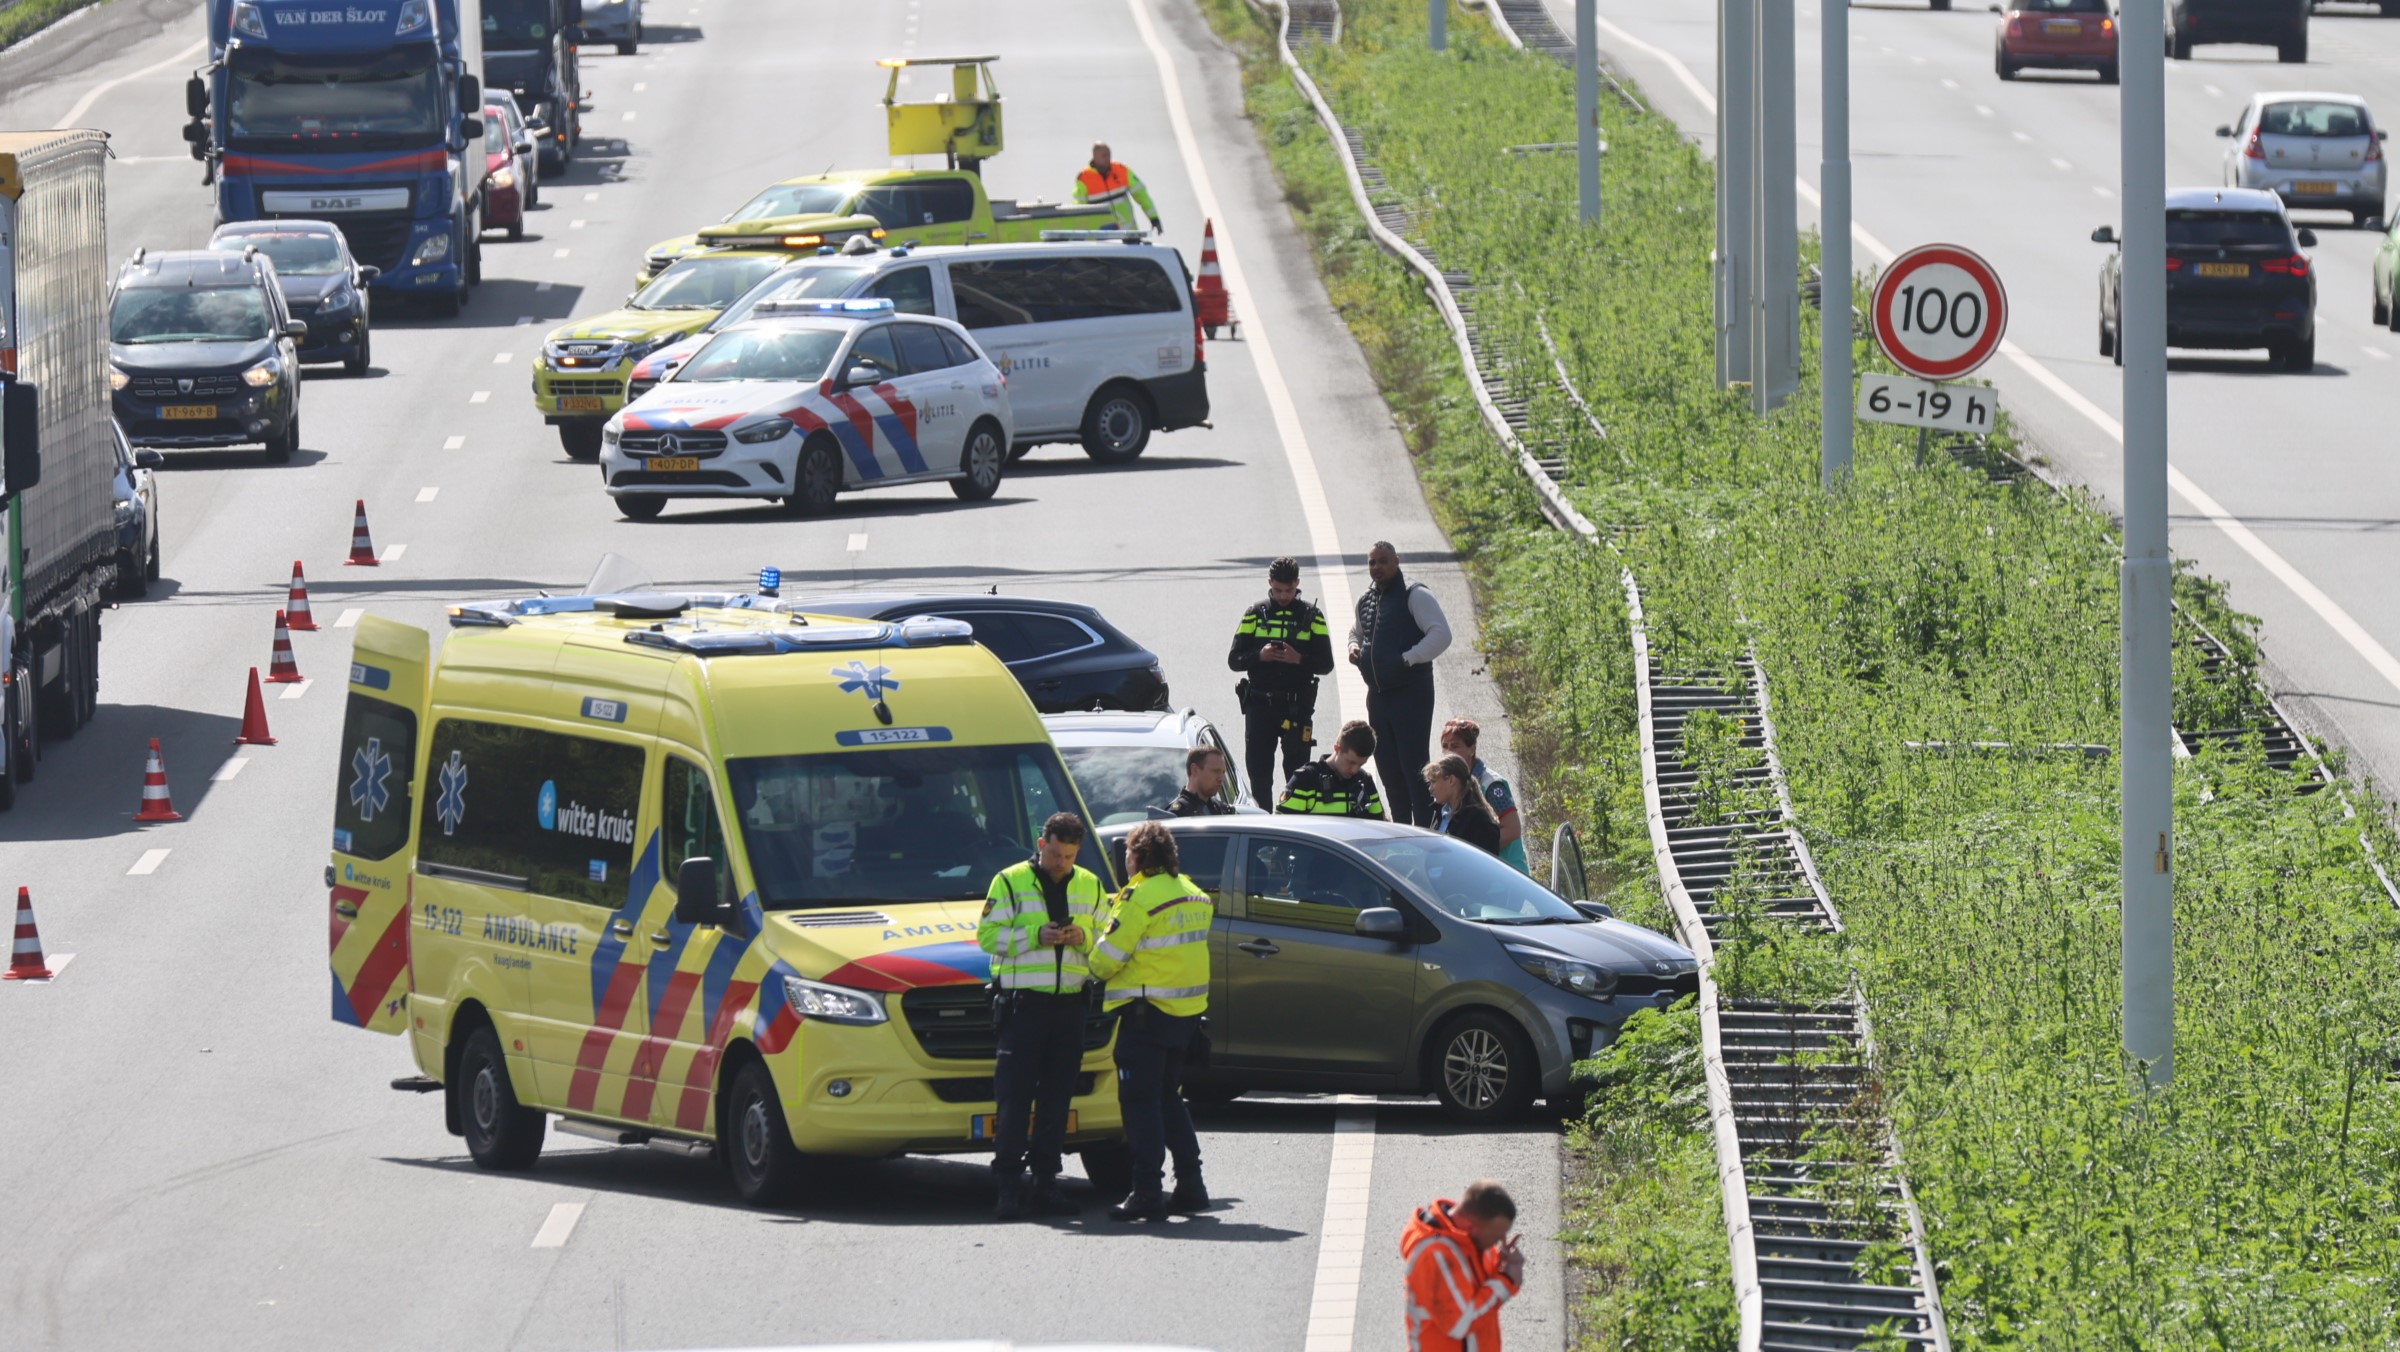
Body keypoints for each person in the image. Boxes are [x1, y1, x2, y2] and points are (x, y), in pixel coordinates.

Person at [976, 812, 1104, 1221]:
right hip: (1023, 1007)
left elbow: (1108, 936)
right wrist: (1036, 936)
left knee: (1056, 1099)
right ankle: (1009, 1188)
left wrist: (1082, 934)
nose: (1060, 863)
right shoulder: (1010, 880)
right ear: (1040, 842)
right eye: (1054, 853)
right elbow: (987, 937)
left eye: (1068, 855)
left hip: (1069, 1007)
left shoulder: (1089, 883)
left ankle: (1046, 1183)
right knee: (1013, 1100)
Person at [1087, 821, 1213, 1221]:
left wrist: (1089, 959)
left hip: (1147, 1015)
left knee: (1140, 1103)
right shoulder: (1193, 893)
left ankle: (1146, 1190)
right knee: (1167, 1098)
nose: (1125, 861)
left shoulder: (1139, 897)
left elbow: (1106, 959)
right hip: (1186, 1016)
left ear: (1139, 856)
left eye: (1127, 854)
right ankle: (1191, 1184)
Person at [1349, 542, 1450, 828]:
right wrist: (1353, 647)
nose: (1376, 567)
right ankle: (1402, 832)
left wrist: (1409, 658)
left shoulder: (1414, 595)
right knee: (1389, 772)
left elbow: (1442, 634)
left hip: (1411, 694)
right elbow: (1356, 631)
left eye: (1382, 561)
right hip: (1379, 697)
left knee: (1414, 770)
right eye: (1371, 563)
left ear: (1397, 561)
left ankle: (1424, 833)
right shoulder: (1366, 599)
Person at [1228, 556, 1337, 805]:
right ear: (1269, 583)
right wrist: (1260, 655)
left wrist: (1299, 659)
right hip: (1259, 707)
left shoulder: (1313, 616)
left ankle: (1293, 830)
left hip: (1296, 708)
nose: (1284, 595)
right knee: (1260, 777)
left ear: (1298, 583)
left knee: (1298, 778)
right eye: (1278, 590)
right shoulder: (1255, 614)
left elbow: (1326, 664)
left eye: (1289, 590)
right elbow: (1234, 660)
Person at [1402, 1181, 1526, 1352]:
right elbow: (1460, 1323)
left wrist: (1502, 1264)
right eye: (1497, 1236)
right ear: (1471, 1226)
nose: (1499, 1242)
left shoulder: (1470, 1242)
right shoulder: (1435, 1256)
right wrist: (1507, 1280)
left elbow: (1479, 1287)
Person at [1441, 718, 1527, 874]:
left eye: (1455, 746)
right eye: (1445, 746)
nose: (1448, 752)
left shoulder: (1491, 784)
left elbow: (1513, 829)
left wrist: (1475, 851)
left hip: (1508, 874)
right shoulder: (1452, 782)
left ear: (1472, 749)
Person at [1276, 719, 1386, 818]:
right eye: (1351, 762)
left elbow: (1380, 828)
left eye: (1361, 764)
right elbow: (1282, 829)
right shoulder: (1305, 781)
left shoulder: (1365, 781)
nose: (1355, 770)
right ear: (1337, 748)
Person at [1072, 142, 1164, 235]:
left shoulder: (1121, 170)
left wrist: (1154, 218)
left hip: (1129, 235)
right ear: (1094, 156)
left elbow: (1142, 195)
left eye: (1109, 155)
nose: (1107, 158)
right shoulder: (1084, 178)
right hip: (1102, 237)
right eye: (1104, 156)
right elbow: (1079, 209)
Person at [1425, 755, 1503, 859]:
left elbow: (1485, 866)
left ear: (1451, 780)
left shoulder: (1479, 820)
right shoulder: (1441, 813)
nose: (1430, 788)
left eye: (1434, 781)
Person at [1166, 744, 1238, 817]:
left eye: (1223, 772)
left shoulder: (1220, 808)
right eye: (1216, 771)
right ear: (1194, 770)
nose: (1222, 779)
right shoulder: (1176, 815)